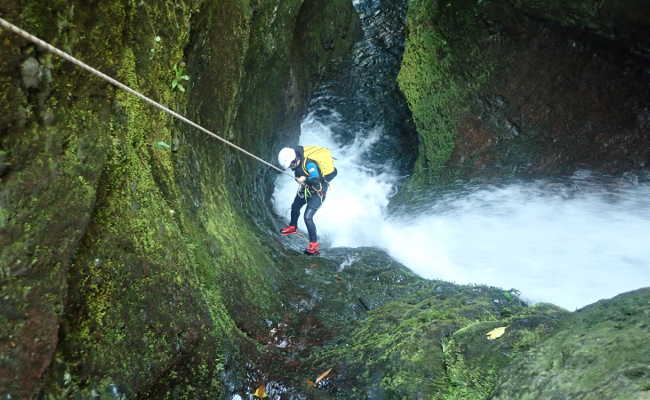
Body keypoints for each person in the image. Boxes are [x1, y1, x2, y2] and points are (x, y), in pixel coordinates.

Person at [277, 145, 338, 256]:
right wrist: (303, 180)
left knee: (308, 217)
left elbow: (315, 178)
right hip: (306, 189)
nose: (291, 167)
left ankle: (313, 245)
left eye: (291, 165)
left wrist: (303, 179)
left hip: (317, 192)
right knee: (295, 206)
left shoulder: (309, 164)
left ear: (295, 160)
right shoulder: (297, 161)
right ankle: (292, 226)